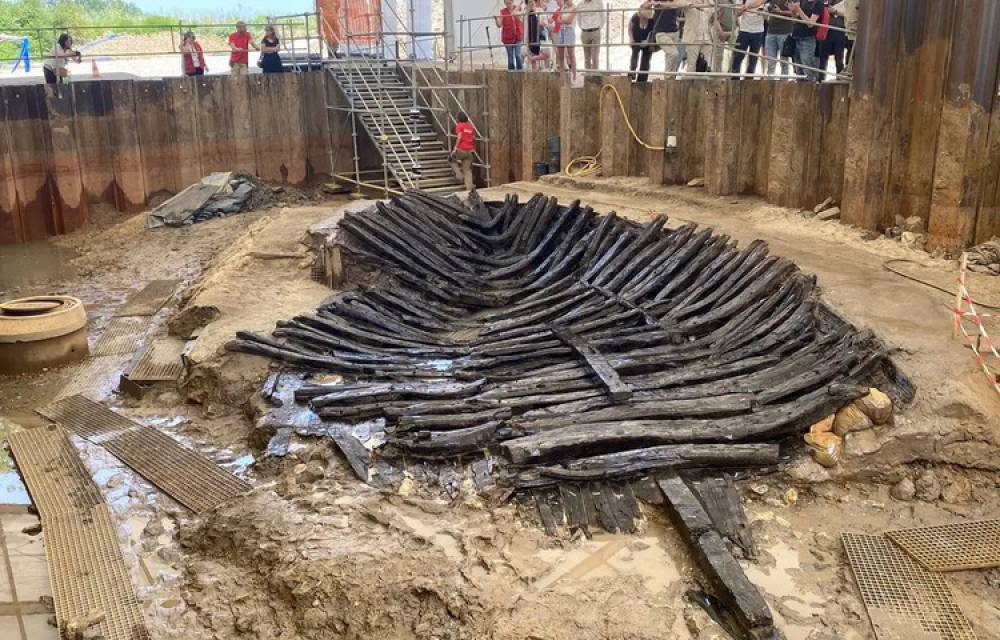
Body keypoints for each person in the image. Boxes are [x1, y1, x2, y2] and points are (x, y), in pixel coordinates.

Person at [790, 0, 823, 81]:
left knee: (807, 67)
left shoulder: (818, 3)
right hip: (796, 37)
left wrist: (798, 9)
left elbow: (811, 23)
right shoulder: (803, 1)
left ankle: (811, 87)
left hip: (808, 38)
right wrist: (793, 11)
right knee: (798, 68)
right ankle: (800, 87)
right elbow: (796, 18)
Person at [731, 0, 765, 76]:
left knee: (753, 58)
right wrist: (743, 9)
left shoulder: (762, 1)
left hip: (758, 31)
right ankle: (735, 77)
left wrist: (764, 13)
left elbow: (767, 16)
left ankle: (749, 79)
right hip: (744, 30)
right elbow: (736, 13)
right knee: (738, 56)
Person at [650, 1, 684, 74]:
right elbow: (643, 6)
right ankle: (668, 77)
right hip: (661, 33)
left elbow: (676, 5)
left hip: (674, 32)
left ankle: (670, 78)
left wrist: (661, 4)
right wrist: (651, 3)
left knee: (671, 57)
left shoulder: (673, 2)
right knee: (674, 53)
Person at [681, 0, 715, 73]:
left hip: (706, 37)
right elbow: (679, 3)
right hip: (692, 37)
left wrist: (715, 13)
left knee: (704, 65)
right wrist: (695, 5)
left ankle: (701, 83)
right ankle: (690, 83)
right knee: (691, 65)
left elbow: (713, 17)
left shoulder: (709, 1)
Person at [764, 0, 794, 76]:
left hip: (785, 32)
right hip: (771, 31)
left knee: (784, 62)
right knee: (770, 61)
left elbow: (794, 13)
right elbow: (766, 8)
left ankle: (784, 85)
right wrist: (766, 12)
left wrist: (780, 11)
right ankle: (769, 84)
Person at [822, 0, 849, 79]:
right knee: (823, 57)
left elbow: (849, 15)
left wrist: (835, 11)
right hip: (826, 30)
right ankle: (821, 79)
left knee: (839, 58)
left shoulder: (845, 2)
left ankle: (839, 78)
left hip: (839, 30)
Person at [628, 4, 655, 82]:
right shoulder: (635, 17)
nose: (644, 18)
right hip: (636, 39)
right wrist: (631, 39)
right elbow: (630, 29)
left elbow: (654, 32)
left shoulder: (652, 20)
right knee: (634, 57)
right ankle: (631, 75)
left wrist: (648, 41)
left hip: (647, 40)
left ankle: (642, 81)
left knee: (645, 62)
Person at [495, 0, 524, 71]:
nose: (508, 5)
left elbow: (522, 17)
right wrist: (496, 19)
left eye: (509, 3)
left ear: (512, 2)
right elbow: (499, 25)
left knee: (518, 55)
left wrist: (519, 8)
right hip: (507, 37)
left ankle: (520, 72)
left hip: (518, 35)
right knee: (510, 57)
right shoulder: (503, 12)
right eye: (506, 3)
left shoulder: (518, 8)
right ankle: (511, 73)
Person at [576, 0, 604, 73]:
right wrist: (583, 28)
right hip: (585, 32)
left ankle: (595, 75)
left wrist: (598, 28)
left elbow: (603, 16)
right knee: (586, 56)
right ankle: (588, 75)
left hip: (596, 31)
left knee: (595, 56)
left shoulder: (598, 2)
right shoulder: (580, 5)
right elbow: (578, 19)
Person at [450, 113, 476, 191]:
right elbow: (473, 138)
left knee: (451, 159)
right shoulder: (470, 126)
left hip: (461, 150)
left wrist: (455, 148)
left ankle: (459, 175)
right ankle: (469, 189)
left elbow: (460, 137)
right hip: (469, 151)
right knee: (467, 170)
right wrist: (472, 147)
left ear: (458, 119)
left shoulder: (459, 125)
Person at [712, 0, 737, 77]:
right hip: (720, 30)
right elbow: (714, 16)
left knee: (734, 53)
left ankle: (730, 74)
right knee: (718, 56)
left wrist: (737, 23)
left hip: (731, 30)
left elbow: (734, 13)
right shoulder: (719, 1)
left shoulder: (733, 1)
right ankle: (716, 76)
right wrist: (720, 30)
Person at [554, 0, 578, 83]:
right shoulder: (563, 7)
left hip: (570, 30)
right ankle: (562, 76)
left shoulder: (574, 7)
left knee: (571, 55)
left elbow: (569, 21)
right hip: (562, 30)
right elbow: (557, 19)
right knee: (560, 56)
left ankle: (574, 76)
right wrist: (563, 21)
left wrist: (562, 21)